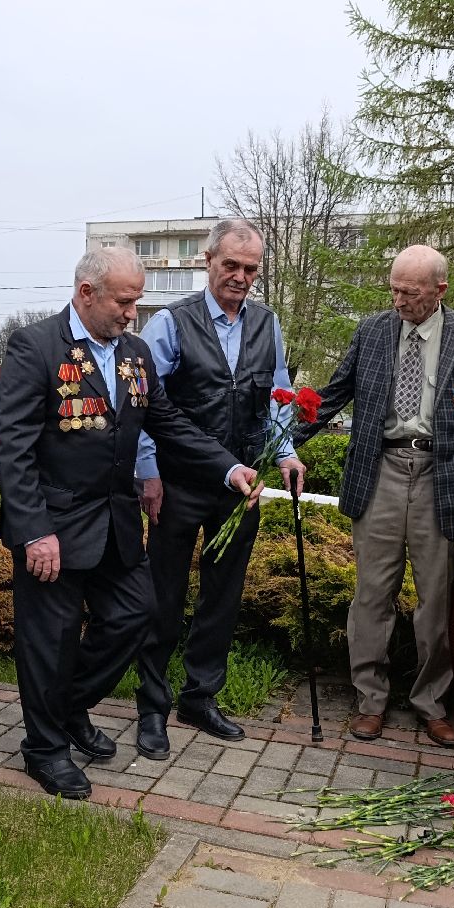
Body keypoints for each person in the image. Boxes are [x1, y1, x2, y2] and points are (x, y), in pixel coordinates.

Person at [0, 246, 262, 799]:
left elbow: (168, 422)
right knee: (53, 638)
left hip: (115, 524)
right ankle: (43, 749)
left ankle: (66, 709)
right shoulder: (36, 347)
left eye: (137, 302)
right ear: (87, 293)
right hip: (54, 527)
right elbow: (12, 448)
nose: (132, 314)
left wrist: (228, 466)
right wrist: (33, 531)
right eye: (124, 301)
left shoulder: (134, 354)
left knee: (136, 616)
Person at [296, 245, 454, 748]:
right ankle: (371, 701)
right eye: (394, 288)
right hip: (381, 470)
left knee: (436, 602)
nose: (399, 300)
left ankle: (431, 703)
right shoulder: (371, 330)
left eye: (410, 293)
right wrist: (282, 444)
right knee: (372, 595)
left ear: (439, 290)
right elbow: (333, 395)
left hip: (443, 478)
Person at [133, 219, 306, 760]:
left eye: (250, 269)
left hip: (241, 486)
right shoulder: (169, 323)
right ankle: (151, 706)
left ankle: (200, 697)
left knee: (222, 598)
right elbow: (144, 406)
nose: (240, 277)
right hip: (178, 483)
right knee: (162, 598)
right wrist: (148, 472)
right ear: (207, 260)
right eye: (230, 265)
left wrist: (286, 451)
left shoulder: (267, 324)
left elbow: (278, 397)